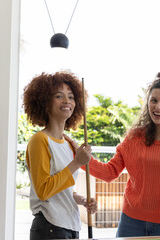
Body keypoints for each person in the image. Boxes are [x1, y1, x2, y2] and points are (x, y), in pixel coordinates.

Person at [66, 69, 160, 237]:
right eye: (153, 100)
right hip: (131, 221)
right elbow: (110, 172)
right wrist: (80, 157)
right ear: (147, 102)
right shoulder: (134, 137)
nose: (158, 107)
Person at [23, 71, 97, 239]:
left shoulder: (68, 144)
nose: (67, 101)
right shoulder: (39, 140)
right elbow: (43, 190)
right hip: (50, 227)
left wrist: (82, 200)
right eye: (59, 96)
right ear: (44, 102)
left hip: (70, 226)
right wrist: (77, 163)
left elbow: (63, 190)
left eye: (71, 97)